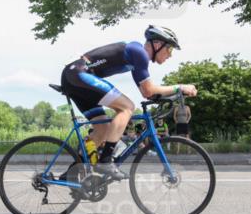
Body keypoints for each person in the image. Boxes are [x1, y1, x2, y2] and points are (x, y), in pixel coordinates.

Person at [60, 26, 197, 180]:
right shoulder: (139, 53)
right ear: (158, 44)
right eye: (170, 49)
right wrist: (180, 87)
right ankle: (105, 161)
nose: (170, 55)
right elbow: (149, 91)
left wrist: (166, 95)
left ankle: (71, 173)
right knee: (127, 107)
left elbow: (148, 93)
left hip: (74, 78)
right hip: (79, 74)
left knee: (103, 129)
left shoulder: (135, 56)